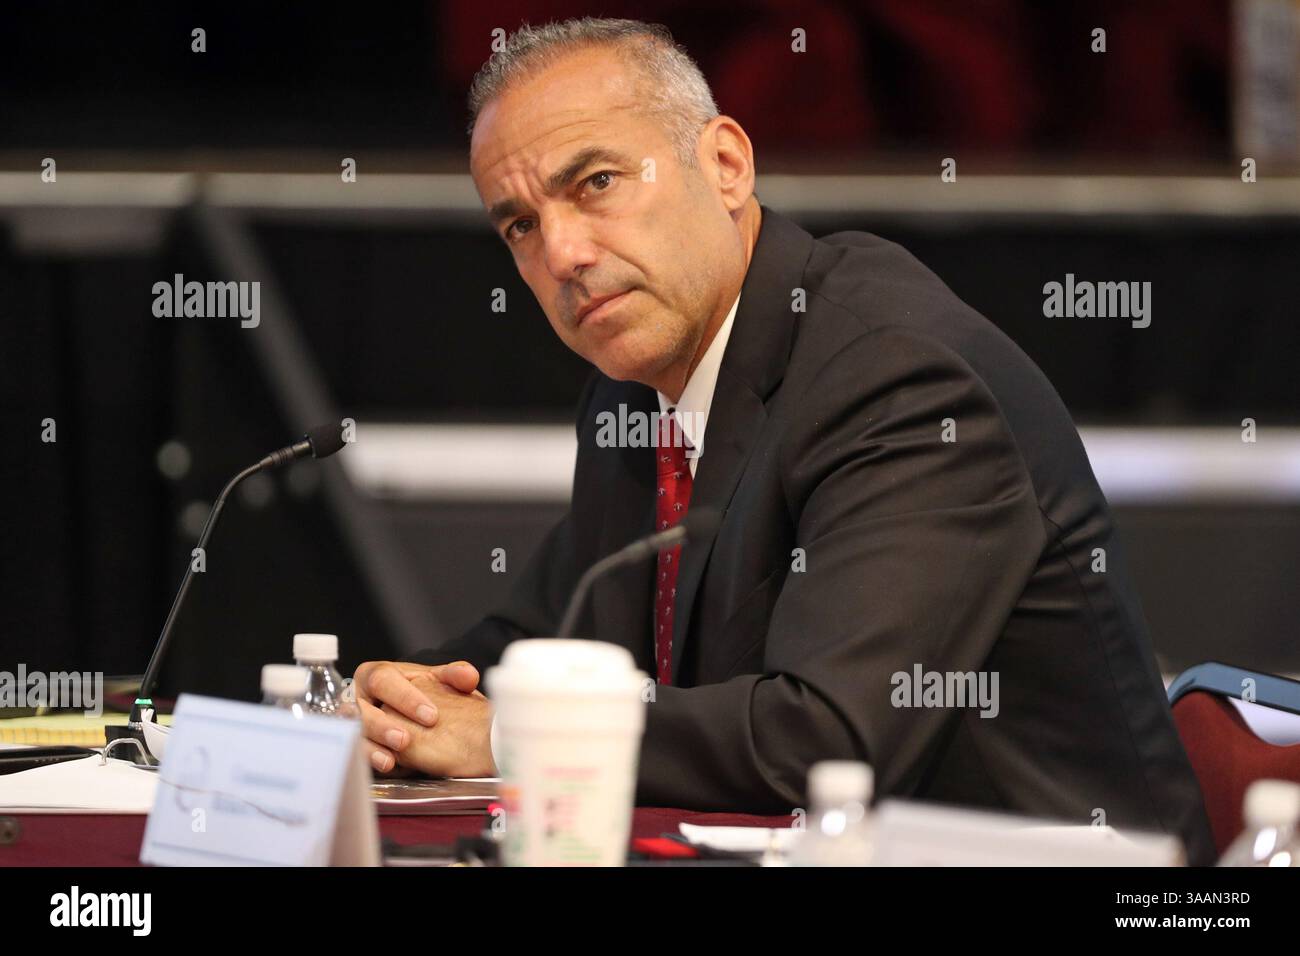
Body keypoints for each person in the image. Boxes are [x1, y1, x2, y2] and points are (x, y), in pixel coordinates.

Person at [351, 17, 1215, 865]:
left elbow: (829, 738)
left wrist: (509, 736)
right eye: (520, 227)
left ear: (725, 165)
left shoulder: (894, 376)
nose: (564, 253)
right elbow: (546, 631)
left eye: (597, 183)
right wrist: (394, 711)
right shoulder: (635, 383)